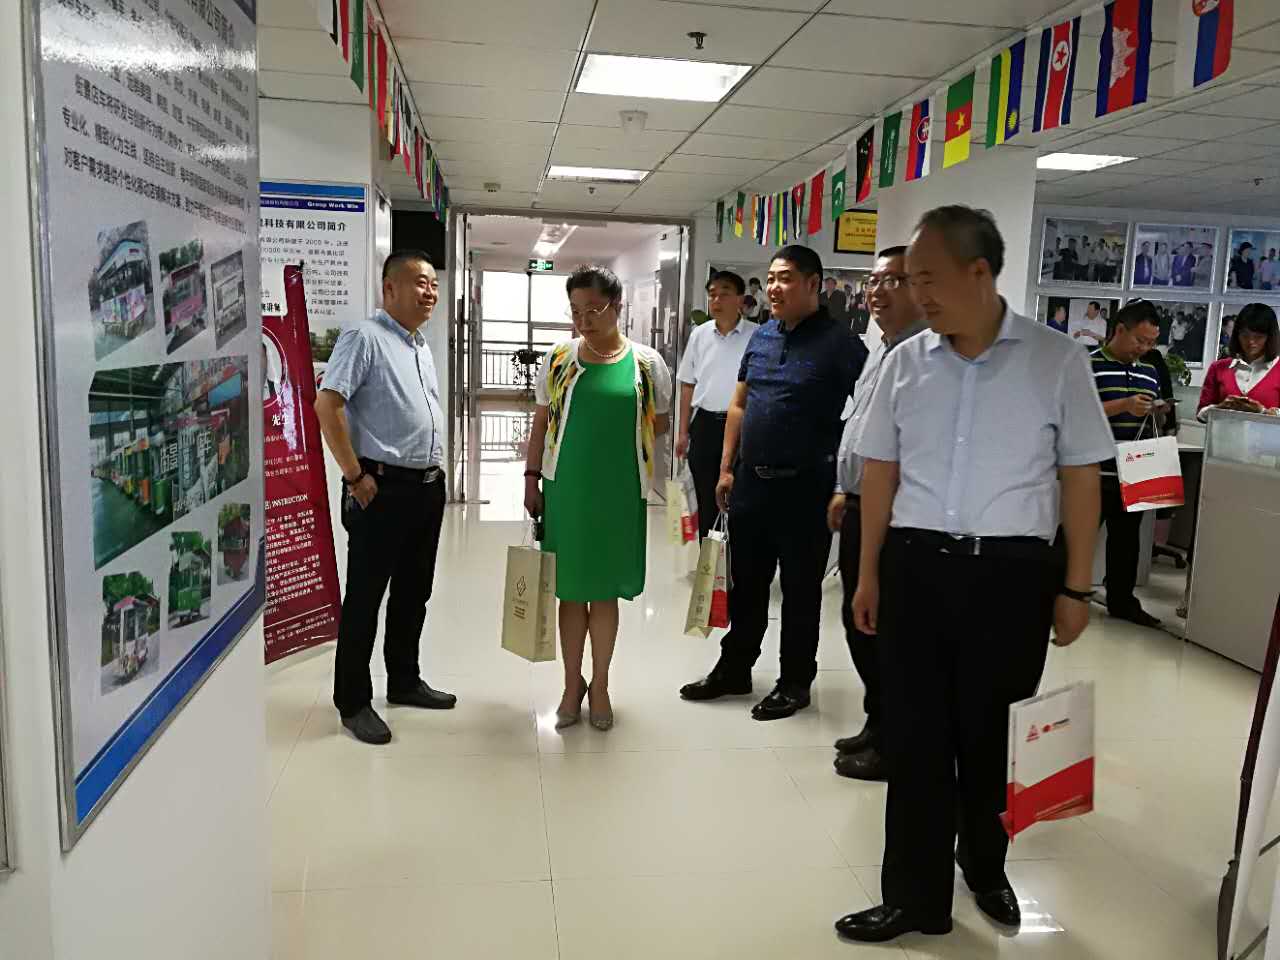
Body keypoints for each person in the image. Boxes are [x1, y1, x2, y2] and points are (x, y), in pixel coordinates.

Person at [834, 206, 1113, 943]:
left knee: (991, 738)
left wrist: (1076, 587)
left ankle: (986, 867)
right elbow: (880, 472)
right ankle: (914, 898)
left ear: (979, 272)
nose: (914, 293)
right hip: (916, 567)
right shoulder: (905, 362)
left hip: (1012, 578)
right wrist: (868, 574)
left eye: (926, 278)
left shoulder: (1057, 360)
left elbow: (1081, 478)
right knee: (915, 739)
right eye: (909, 279)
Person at [680, 245, 867, 720]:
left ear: (813, 284)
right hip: (752, 483)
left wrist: (845, 482)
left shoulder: (841, 344)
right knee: (746, 584)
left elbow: (867, 414)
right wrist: (727, 467)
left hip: (807, 489)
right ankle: (735, 668)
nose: (774, 288)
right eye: (770, 278)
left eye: (785, 278)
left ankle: (795, 682)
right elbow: (739, 403)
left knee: (801, 591)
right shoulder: (762, 336)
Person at [315, 250, 454, 745]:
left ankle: (404, 680)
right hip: (380, 488)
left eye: (433, 284)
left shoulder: (418, 344)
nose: (430, 292)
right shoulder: (364, 337)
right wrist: (354, 476)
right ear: (389, 288)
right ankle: (353, 701)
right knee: (366, 597)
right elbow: (327, 404)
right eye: (419, 282)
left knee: (414, 591)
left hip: (425, 488)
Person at [524, 266, 672, 732]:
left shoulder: (647, 363)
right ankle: (572, 685)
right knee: (571, 593)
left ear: (617, 306)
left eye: (593, 309)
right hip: (567, 490)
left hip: (619, 493)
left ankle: (601, 685)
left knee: (605, 594)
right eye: (575, 311)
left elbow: (660, 423)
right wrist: (531, 478)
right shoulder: (559, 359)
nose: (583, 320)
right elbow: (542, 421)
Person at [828, 246, 924, 781]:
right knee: (857, 621)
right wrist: (843, 488)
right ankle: (877, 720)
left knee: (883, 627)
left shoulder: (923, 357)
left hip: (894, 512)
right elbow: (859, 427)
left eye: (893, 280)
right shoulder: (880, 350)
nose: (877, 291)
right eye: (873, 280)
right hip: (859, 501)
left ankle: (895, 741)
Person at [1090, 301, 1166, 629]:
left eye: (1151, 342)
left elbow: (1151, 418)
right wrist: (1123, 405)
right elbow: (1077, 412)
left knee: (1127, 540)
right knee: (1077, 535)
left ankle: (1122, 601)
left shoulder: (1149, 371)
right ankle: (1055, 596)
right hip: (1094, 467)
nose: (1144, 348)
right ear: (1120, 329)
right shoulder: (1087, 364)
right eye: (1139, 340)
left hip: (1137, 465)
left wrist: (1158, 410)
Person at [676, 271, 757, 540]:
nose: (717, 300)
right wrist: (683, 432)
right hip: (706, 425)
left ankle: (738, 559)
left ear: (740, 299)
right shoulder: (699, 335)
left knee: (741, 498)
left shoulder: (757, 335)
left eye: (724, 293)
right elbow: (688, 384)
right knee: (706, 498)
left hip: (744, 426)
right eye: (712, 294)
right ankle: (709, 560)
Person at [1198, 303, 1280, 419]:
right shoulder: (1218, 368)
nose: (1251, 341)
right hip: (1223, 430)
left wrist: (1263, 412)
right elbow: (1200, 414)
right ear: (1237, 335)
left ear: (1270, 337)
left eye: (1258, 337)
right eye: (1245, 335)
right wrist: (1219, 408)